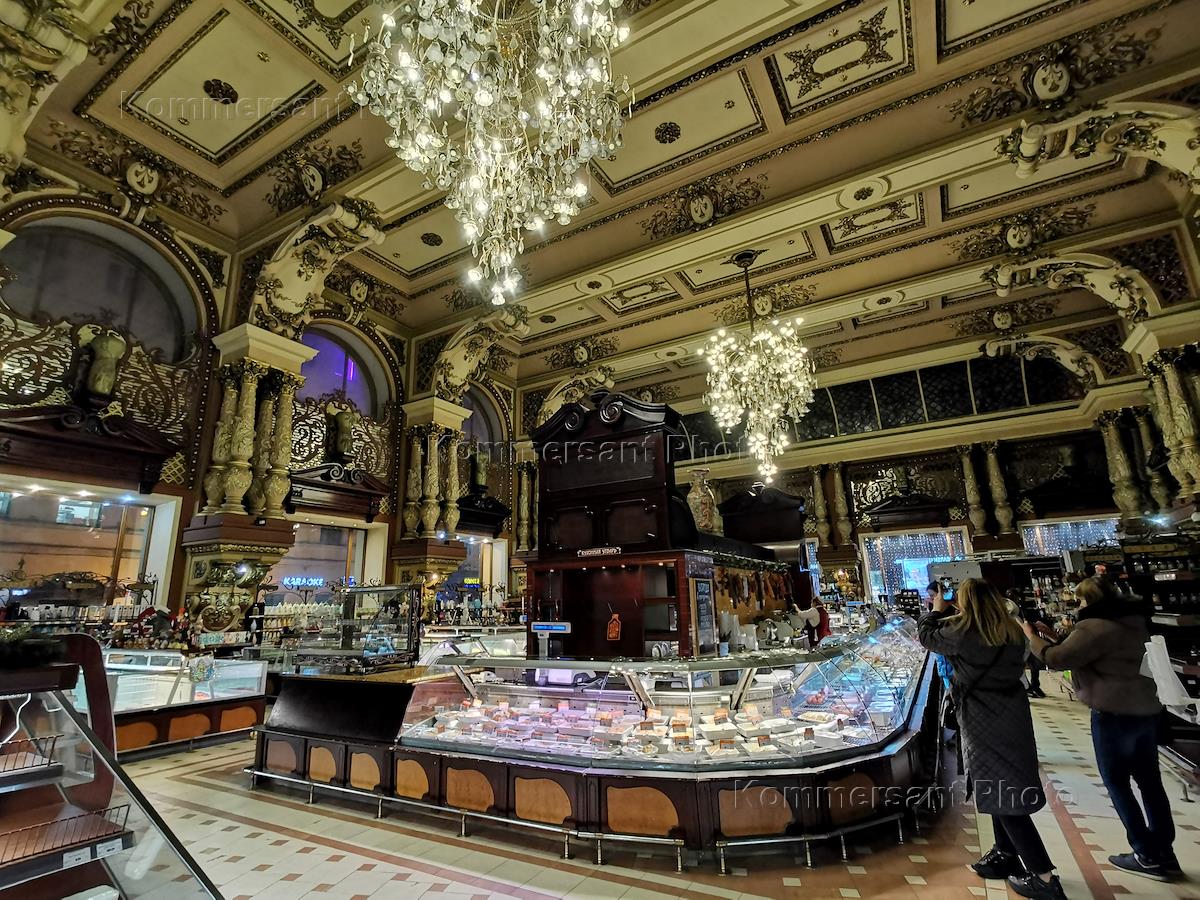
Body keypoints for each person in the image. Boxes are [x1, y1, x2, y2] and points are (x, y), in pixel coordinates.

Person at [1024, 576, 1180, 882]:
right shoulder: (1134, 621)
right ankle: (1164, 851)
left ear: (1091, 600)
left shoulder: (1094, 627)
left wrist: (1032, 637)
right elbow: (1088, 653)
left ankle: (1145, 853)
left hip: (1113, 714)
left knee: (1117, 782)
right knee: (1150, 784)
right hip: (1146, 710)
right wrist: (1054, 636)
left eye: (1081, 600)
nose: (1078, 605)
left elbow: (1056, 659)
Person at [919, 578, 1065, 900]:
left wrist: (936, 610)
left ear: (965, 602)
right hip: (1012, 713)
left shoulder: (963, 632)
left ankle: (1044, 878)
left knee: (1003, 795)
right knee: (1000, 785)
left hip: (981, 716)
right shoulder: (1012, 631)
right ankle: (1005, 854)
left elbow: (927, 637)